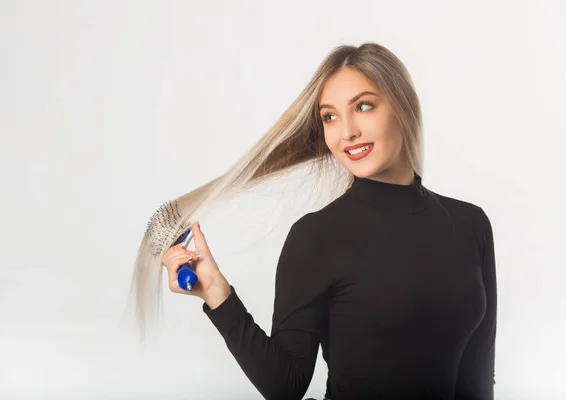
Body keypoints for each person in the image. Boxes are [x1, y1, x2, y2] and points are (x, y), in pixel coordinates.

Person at [131, 42, 497, 400]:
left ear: (402, 107)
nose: (346, 131)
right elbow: (284, 386)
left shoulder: (471, 225)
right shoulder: (316, 236)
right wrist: (216, 293)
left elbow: (477, 379)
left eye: (364, 106)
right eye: (330, 116)